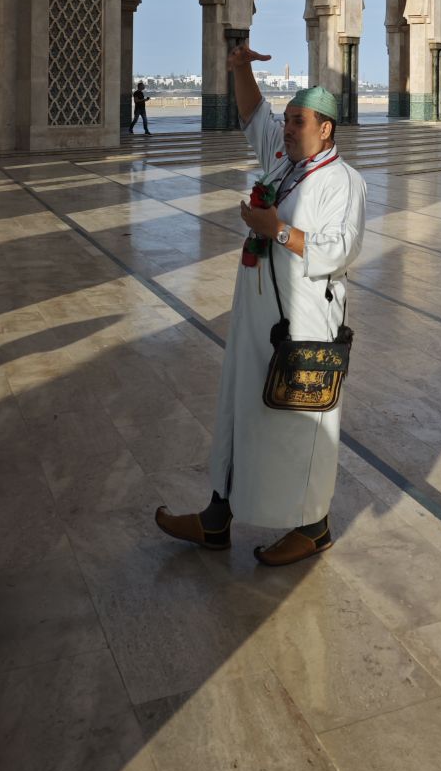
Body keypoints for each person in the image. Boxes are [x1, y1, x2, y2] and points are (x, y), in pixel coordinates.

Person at [155, 46, 368, 566]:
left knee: (300, 423)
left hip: (304, 324)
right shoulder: (284, 159)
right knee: (240, 413)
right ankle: (215, 519)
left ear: (326, 130)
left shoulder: (343, 182)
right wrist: (241, 68)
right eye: (289, 119)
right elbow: (253, 114)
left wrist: (278, 230)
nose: (288, 128)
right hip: (258, 319)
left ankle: (313, 526)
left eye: (299, 121)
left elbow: (342, 250)